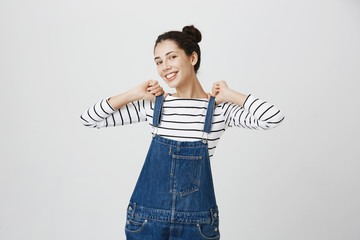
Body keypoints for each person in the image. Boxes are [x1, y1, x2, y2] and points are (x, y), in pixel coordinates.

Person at [80, 25, 285, 240]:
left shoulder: (219, 109)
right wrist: (133, 94)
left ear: (192, 58)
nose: (164, 67)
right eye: (158, 61)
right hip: (147, 222)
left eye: (171, 57)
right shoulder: (154, 105)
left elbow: (273, 117)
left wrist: (229, 94)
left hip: (196, 227)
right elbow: (89, 119)